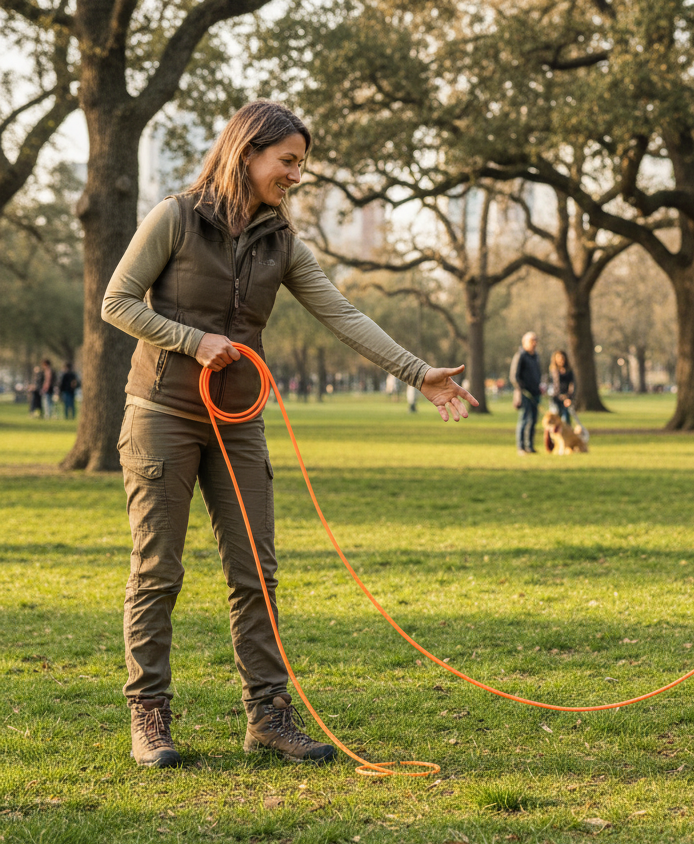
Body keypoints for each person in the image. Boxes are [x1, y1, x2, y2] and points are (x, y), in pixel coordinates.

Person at [102, 100, 477, 769]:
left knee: (257, 573)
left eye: (301, 163)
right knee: (158, 570)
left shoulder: (282, 243)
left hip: (239, 423)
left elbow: (343, 315)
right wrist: (192, 340)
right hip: (161, 413)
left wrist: (419, 374)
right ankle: (149, 715)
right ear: (247, 152)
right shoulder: (175, 218)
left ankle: (269, 717)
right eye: (288, 161)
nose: (297, 175)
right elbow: (117, 302)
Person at [512, 331, 541, 455]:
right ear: (524, 342)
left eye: (535, 340)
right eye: (532, 340)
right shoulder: (520, 356)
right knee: (524, 419)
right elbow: (514, 376)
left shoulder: (536, 356)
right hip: (524, 394)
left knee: (533, 420)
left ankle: (530, 446)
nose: (534, 343)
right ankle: (521, 447)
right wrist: (521, 389)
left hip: (535, 393)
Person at [549, 349, 575, 425]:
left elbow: (572, 385)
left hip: (566, 398)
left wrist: (568, 397)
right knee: (555, 420)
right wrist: (557, 395)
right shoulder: (553, 371)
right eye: (559, 358)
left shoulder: (569, 371)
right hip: (555, 398)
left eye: (562, 358)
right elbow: (553, 385)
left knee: (566, 419)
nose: (561, 360)